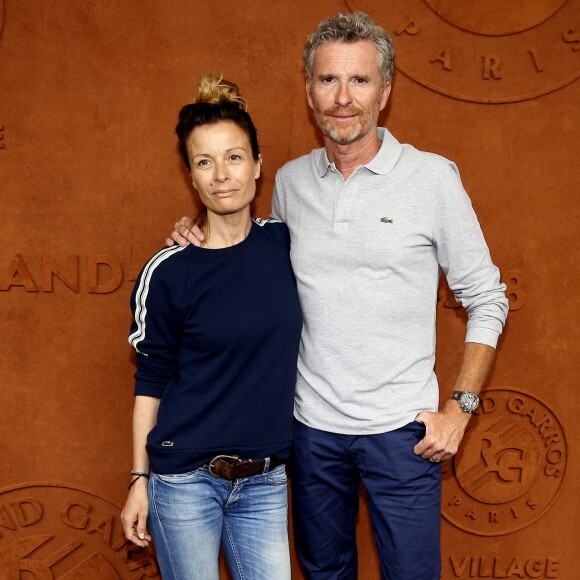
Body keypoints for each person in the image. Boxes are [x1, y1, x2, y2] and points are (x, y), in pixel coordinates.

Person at [168, 12, 509, 580]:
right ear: (309, 92)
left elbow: (488, 297)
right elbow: (251, 257)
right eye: (328, 81)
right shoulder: (290, 184)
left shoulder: (432, 179)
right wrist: (196, 236)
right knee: (324, 573)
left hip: (404, 434)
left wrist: (459, 411)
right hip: (309, 433)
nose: (343, 98)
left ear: (386, 91)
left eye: (360, 80)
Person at [120, 75, 302, 580]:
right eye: (205, 161)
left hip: (266, 481)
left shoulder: (289, 247)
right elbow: (150, 382)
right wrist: (139, 479)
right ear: (191, 177)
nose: (222, 174)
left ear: (259, 165)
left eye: (234, 157)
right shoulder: (170, 271)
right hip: (183, 482)